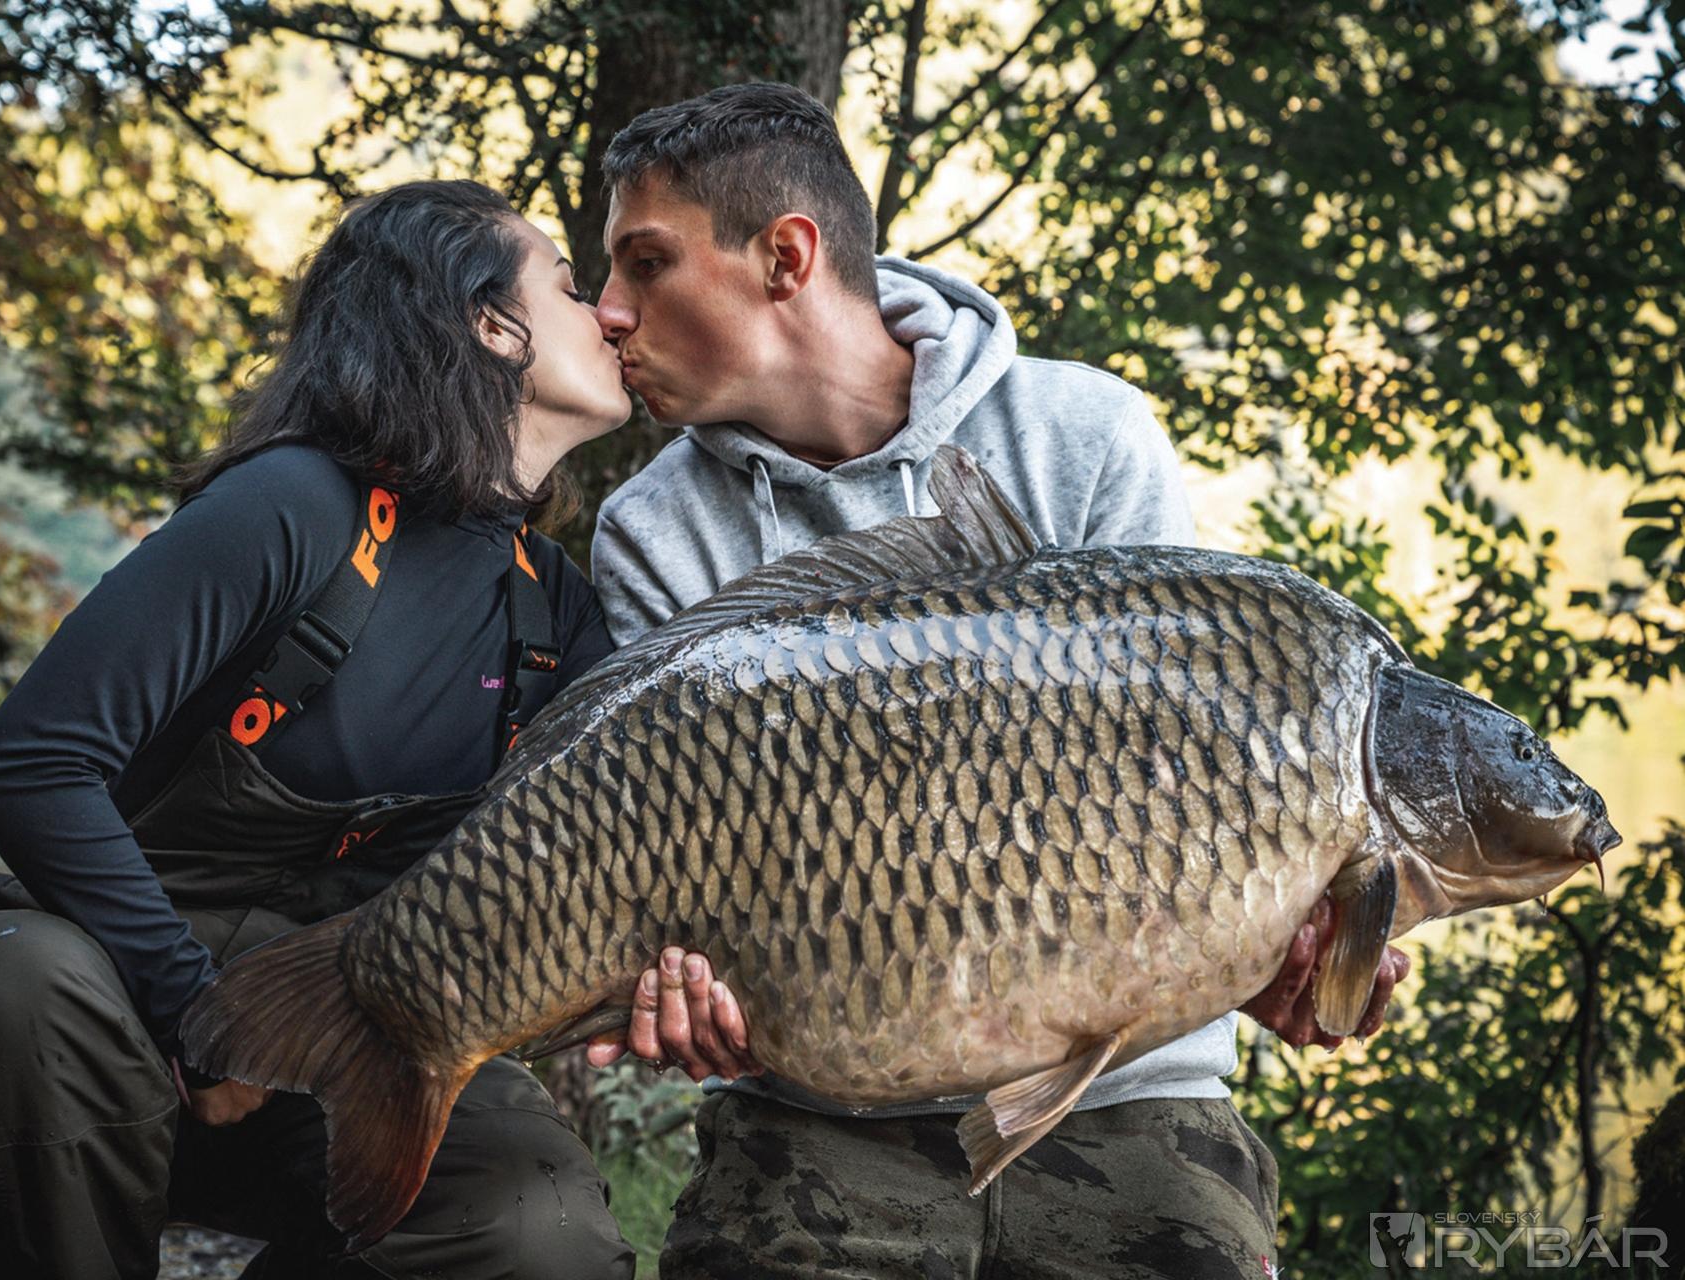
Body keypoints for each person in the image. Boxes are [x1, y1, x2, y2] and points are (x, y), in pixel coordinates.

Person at [582, 82, 1413, 1279]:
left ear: (786, 258)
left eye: (645, 263)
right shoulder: (652, 528)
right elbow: (673, 876)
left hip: (1129, 1094)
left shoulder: (1085, 434)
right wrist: (686, 999)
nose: (606, 311)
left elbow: (1195, 790)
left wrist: (1266, 959)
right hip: (826, 1112)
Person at [0, 180, 638, 1280]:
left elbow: (605, 865)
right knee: (6, 997)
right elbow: (31, 765)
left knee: (535, 1229)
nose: (610, 313)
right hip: (110, 1005)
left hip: (356, 1021)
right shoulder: (293, 507)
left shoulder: (557, 611)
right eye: (570, 285)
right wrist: (198, 1018)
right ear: (492, 325)